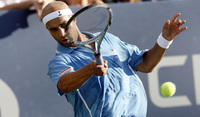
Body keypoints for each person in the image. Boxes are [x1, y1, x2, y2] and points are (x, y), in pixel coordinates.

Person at [42, 1, 187, 117]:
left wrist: (165, 40)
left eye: (63, 25)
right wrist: (89, 70)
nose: (61, 33)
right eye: (54, 29)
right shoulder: (60, 61)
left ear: (74, 19)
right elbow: (64, 85)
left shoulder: (108, 39)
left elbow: (146, 65)